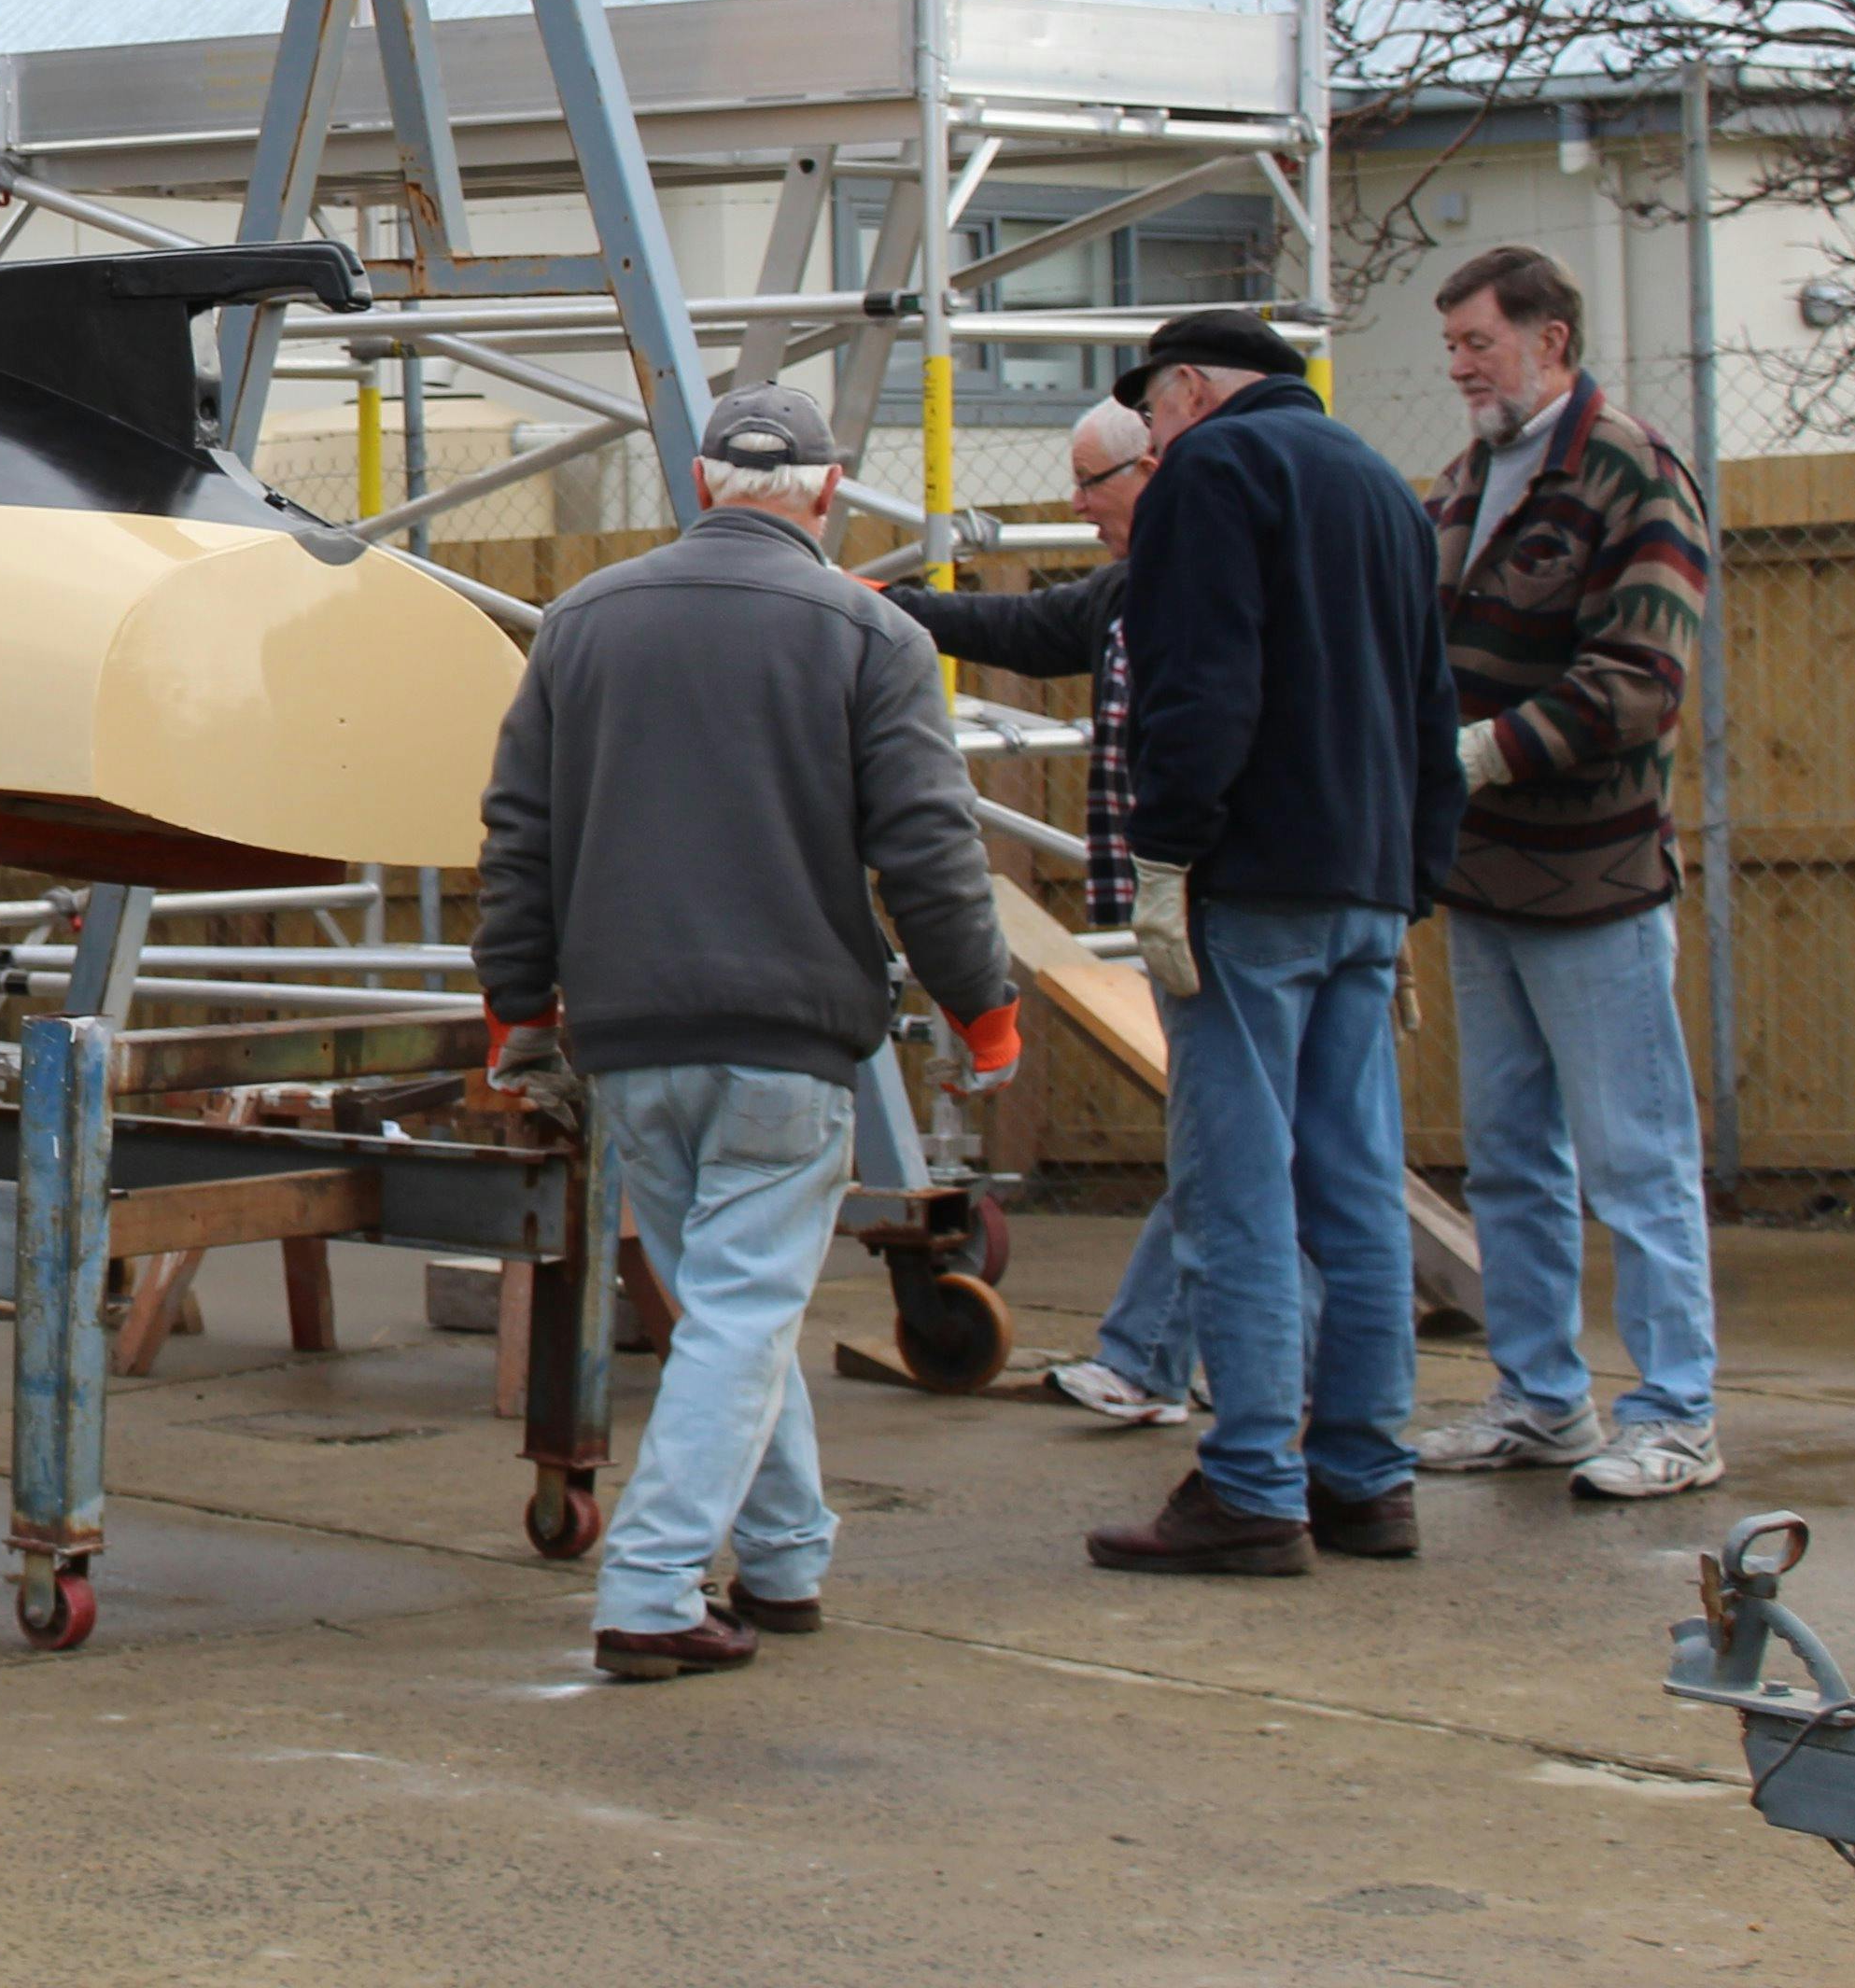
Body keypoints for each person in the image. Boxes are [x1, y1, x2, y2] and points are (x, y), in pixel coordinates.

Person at [474, 385, 1019, 1682]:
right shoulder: (865, 634)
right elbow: (928, 850)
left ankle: (781, 1559)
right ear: (827, 496)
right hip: (785, 1033)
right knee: (740, 1312)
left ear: (702, 482)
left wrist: (520, 1010)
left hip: (628, 1037)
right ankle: (653, 1592)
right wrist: (982, 1010)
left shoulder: (579, 625)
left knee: (725, 1308)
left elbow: (519, 837)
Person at [1089, 310, 1462, 1577]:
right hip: (1363, 879)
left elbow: (1200, 686)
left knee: (1233, 1188)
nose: (1147, 439)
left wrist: (1167, 854)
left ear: (1187, 389)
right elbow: (1428, 698)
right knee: (1353, 1187)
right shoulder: (1382, 487)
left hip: (1246, 883)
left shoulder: (1212, 472)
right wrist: (1411, 875)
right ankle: (1364, 1474)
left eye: (1146, 415)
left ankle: (1249, 1479)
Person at [1404, 245, 1725, 1503]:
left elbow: (1641, 682)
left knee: (1633, 1158)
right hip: (1480, 878)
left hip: (1590, 883)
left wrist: (1480, 752)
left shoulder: (1629, 471)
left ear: (1547, 336)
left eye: (1474, 342)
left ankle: (1676, 1413)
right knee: (1508, 1161)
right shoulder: (1467, 476)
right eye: (1450, 347)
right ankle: (1539, 1399)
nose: (1457, 367)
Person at [891, 397, 1197, 1427]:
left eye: (1090, 482)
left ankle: (1165, 1359)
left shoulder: (1200, 583)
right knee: (1242, 1142)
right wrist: (891, 604)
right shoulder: (1135, 589)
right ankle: (1166, 1356)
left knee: (1236, 1143)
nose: (1074, 504)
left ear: (1152, 472)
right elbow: (1025, 628)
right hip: (1187, 910)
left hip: (1217, 907)